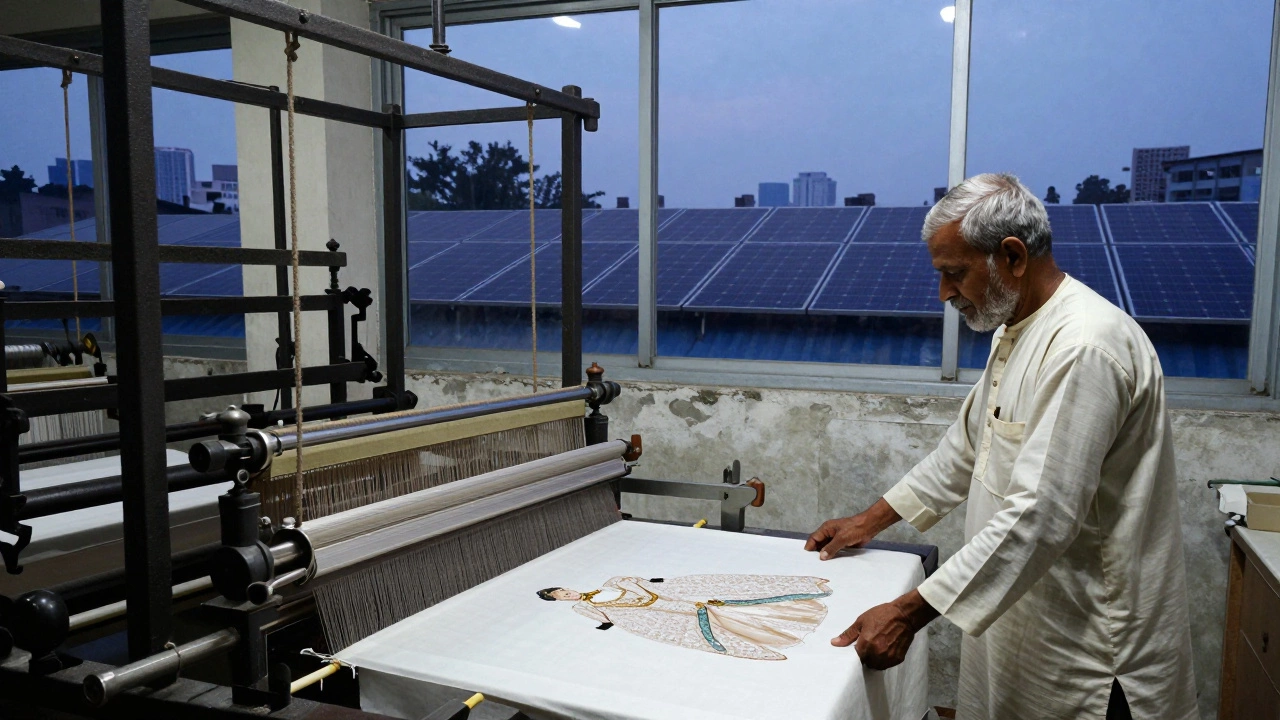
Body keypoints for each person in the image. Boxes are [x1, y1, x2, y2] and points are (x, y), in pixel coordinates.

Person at [806, 173, 1196, 719]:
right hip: (1030, 621)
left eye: (953, 274)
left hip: (1089, 647)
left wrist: (907, 613)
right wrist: (866, 522)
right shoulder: (1018, 329)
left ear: (1012, 257)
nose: (943, 294)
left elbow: (1041, 514)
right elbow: (967, 451)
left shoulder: (1084, 346)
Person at [537, 574, 832, 660]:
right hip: (650, 613)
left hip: (659, 597)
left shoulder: (610, 583)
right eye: (561, 596)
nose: (568, 595)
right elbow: (606, 618)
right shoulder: (582, 607)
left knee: (718, 596)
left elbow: (638, 581)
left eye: (565, 590)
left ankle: (789, 610)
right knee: (699, 616)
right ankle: (762, 636)